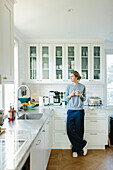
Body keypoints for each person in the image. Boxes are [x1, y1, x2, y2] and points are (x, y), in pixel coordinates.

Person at [64, 70, 87, 157]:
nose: (70, 78)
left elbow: (84, 99)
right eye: (70, 76)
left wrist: (81, 95)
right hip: (71, 110)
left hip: (79, 110)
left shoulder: (82, 86)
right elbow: (65, 99)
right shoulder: (69, 86)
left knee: (79, 130)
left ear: (76, 77)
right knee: (69, 130)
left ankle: (76, 150)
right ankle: (83, 144)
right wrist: (71, 95)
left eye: (72, 76)